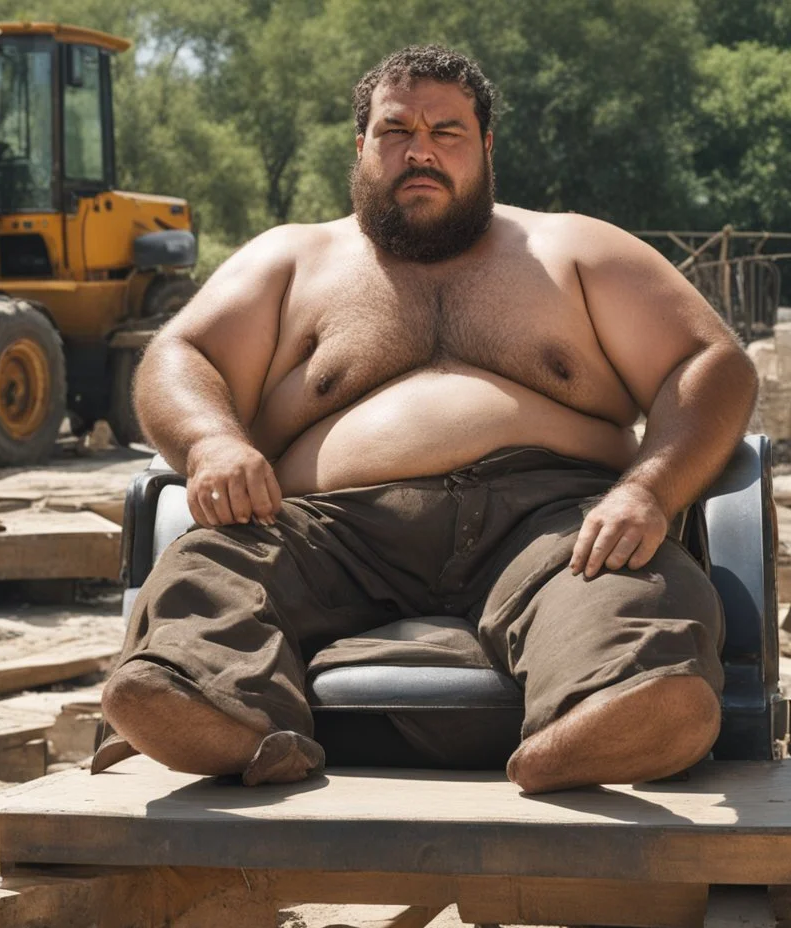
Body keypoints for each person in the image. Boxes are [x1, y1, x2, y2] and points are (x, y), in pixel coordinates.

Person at [97, 45, 757, 794]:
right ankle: (218, 715)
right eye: (395, 130)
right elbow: (179, 354)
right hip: (328, 531)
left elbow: (712, 363)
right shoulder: (292, 259)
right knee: (207, 568)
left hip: (551, 523)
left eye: (447, 132)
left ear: (485, 146)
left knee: (636, 585)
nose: (420, 151)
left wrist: (651, 488)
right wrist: (213, 441)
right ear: (361, 145)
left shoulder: (572, 247)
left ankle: (605, 725)